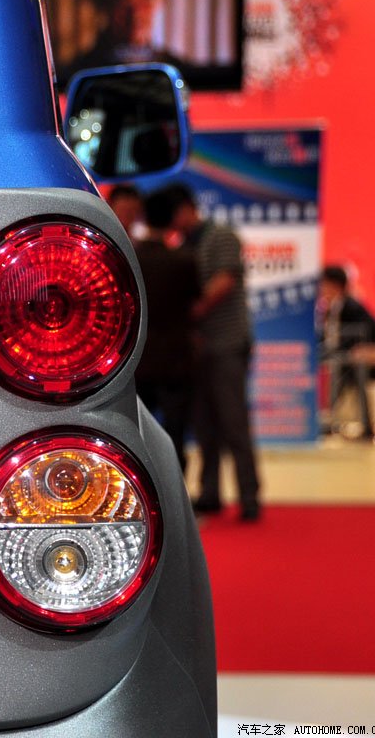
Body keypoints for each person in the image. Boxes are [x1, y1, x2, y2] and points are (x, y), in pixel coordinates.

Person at [155, 184, 262, 521]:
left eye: (174, 214)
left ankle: (249, 497)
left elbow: (225, 281)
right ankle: (210, 493)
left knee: (233, 423)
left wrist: (192, 311)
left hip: (227, 343)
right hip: (197, 349)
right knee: (204, 426)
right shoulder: (182, 245)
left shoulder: (221, 236)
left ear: (187, 208)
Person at [134, 189, 201, 473]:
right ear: (172, 218)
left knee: (138, 437)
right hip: (176, 359)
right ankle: (178, 491)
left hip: (138, 361)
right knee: (176, 434)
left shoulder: (132, 257)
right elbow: (195, 305)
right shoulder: (184, 260)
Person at [318, 265, 375, 439]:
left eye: (324, 284)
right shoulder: (333, 306)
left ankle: (362, 425)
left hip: (370, 358)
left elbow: (366, 334)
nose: (321, 288)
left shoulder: (352, 306)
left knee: (346, 374)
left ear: (334, 285)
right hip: (348, 357)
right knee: (338, 373)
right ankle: (331, 420)